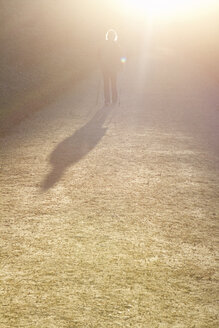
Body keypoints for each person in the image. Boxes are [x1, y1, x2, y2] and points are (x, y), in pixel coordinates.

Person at [99, 29, 122, 106]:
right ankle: (113, 99)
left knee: (107, 84)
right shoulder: (116, 45)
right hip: (112, 68)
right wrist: (120, 66)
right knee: (113, 84)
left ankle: (108, 100)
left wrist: (101, 64)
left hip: (106, 67)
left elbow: (99, 56)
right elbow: (120, 56)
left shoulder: (103, 45)